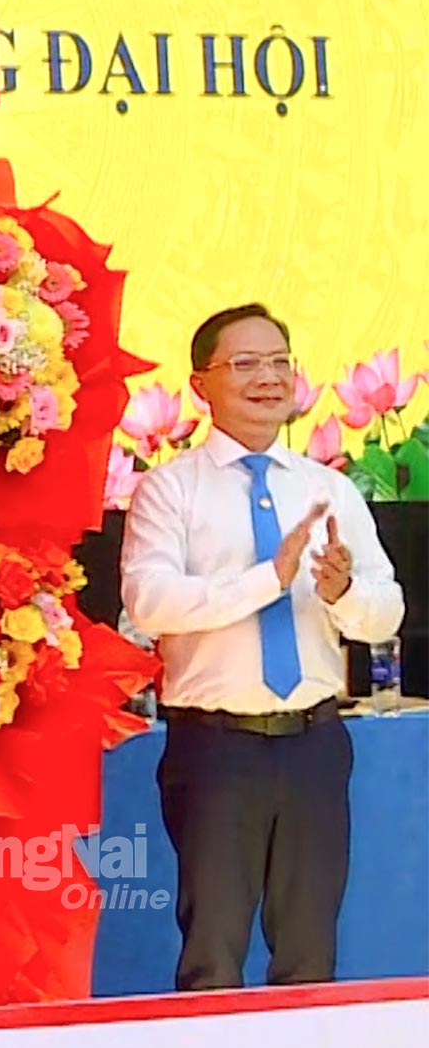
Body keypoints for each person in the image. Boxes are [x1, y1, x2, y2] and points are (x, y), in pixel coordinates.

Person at [121, 303, 403, 990]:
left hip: (315, 743)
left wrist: (340, 593)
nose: (268, 378)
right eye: (245, 363)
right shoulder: (169, 490)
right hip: (216, 750)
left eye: (280, 362)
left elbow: (385, 611)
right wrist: (266, 580)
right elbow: (149, 602)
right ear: (201, 385)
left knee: (310, 953)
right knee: (213, 954)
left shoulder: (329, 488)